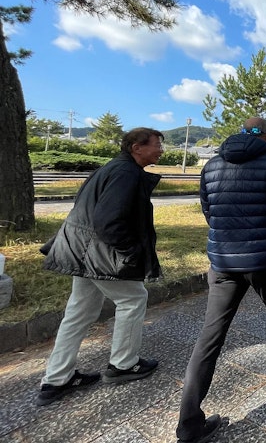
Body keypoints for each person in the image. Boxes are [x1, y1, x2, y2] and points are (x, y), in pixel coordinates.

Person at [176, 117, 266, 443]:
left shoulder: (212, 165)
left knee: (210, 336)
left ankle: (189, 425)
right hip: (264, 259)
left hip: (223, 262)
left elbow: (209, 211)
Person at [36, 128, 165, 407]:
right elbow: (108, 221)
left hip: (81, 249)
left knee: (79, 312)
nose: (161, 150)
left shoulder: (112, 168)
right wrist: (129, 251)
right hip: (98, 251)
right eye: (156, 145)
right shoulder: (126, 173)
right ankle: (123, 364)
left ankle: (57, 378)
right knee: (133, 299)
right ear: (136, 147)